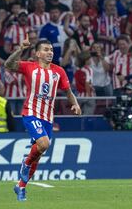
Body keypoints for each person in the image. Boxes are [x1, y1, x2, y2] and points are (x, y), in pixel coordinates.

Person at [4, 36, 81, 202]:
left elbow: (68, 91)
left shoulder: (58, 71)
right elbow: (8, 65)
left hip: (47, 118)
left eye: (51, 50)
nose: (50, 52)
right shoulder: (29, 67)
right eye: (46, 50)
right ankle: (25, 163)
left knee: (38, 155)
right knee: (44, 144)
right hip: (31, 112)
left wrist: (75, 104)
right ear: (37, 53)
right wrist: (20, 49)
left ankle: (21, 187)